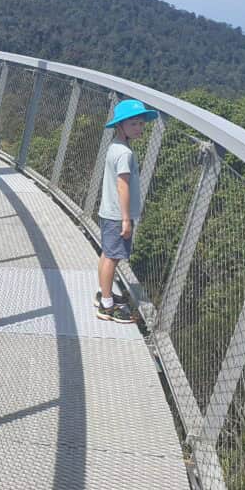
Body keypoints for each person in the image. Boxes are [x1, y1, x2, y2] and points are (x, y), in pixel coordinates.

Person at [96, 98, 158, 323]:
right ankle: (107, 305)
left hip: (107, 211)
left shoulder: (115, 146)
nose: (139, 128)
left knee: (107, 254)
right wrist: (126, 220)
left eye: (141, 124)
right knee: (113, 257)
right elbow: (123, 186)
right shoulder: (125, 154)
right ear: (120, 126)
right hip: (117, 215)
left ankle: (104, 294)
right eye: (133, 124)